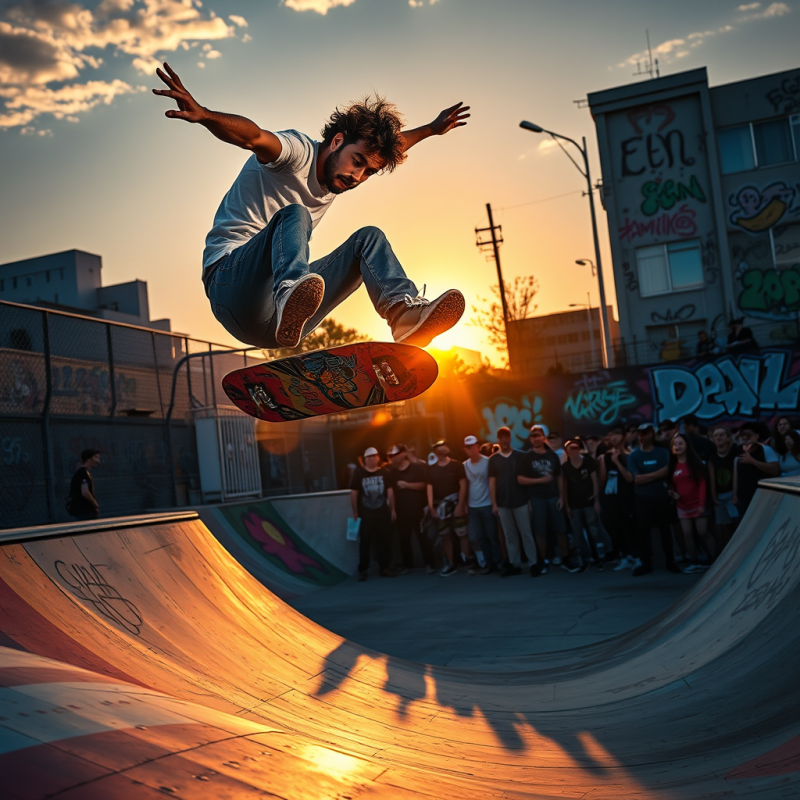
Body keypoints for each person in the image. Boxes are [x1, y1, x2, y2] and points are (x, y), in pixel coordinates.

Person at [153, 62, 468, 351]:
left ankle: (403, 316)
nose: (357, 176)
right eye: (356, 162)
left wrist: (431, 129)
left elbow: (394, 145)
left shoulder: (342, 173)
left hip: (279, 324)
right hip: (229, 286)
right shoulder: (297, 152)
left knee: (368, 239)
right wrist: (206, 115)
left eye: (368, 172)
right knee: (295, 214)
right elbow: (255, 138)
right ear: (336, 141)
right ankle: (290, 290)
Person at [517, 425, 577, 573]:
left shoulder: (552, 456)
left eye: (539, 436)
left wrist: (561, 497)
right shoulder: (526, 457)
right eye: (533, 436)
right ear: (530, 439)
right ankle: (543, 560)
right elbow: (520, 479)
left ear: (544, 438)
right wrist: (539, 481)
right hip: (537, 498)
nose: (537, 439)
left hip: (553, 497)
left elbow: (559, 477)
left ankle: (566, 558)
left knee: (560, 529)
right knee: (540, 531)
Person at [626, 423, 679, 577]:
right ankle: (646, 563)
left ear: (652, 434)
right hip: (642, 498)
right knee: (643, 531)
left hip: (661, 496)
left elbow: (668, 471)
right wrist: (658, 473)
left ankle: (670, 561)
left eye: (645, 434)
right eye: (640, 434)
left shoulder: (663, 452)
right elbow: (637, 480)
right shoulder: (634, 456)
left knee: (665, 530)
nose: (642, 437)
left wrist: (647, 476)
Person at [488, 427, 540, 577]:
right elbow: (492, 483)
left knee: (526, 533)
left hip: (521, 500)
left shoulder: (520, 456)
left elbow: (527, 478)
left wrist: (529, 500)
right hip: (503, 503)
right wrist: (494, 503)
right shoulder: (493, 459)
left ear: (510, 438)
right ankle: (515, 563)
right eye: (501, 437)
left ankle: (533, 563)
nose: (504, 440)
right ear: (498, 440)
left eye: (506, 437)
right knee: (510, 535)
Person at [562, 439, 612, 571]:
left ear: (579, 449)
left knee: (594, 529)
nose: (572, 450)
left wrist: (596, 500)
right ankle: (584, 558)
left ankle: (601, 556)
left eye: (575, 447)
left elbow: (595, 481)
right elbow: (564, 487)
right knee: (577, 532)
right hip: (574, 504)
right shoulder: (565, 467)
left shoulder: (588, 462)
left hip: (589, 502)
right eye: (569, 448)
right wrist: (566, 505)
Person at [668, 434, 714, 573]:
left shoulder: (695, 462)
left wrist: (701, 504)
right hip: (682, 506)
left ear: (687, 445)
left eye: (680, 443)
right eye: (675, 444)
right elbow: (670, 484)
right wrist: (672, 492)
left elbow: (702, 484)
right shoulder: (672, 465)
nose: (677, 447)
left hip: (698, 504)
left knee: (703, 532)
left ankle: (713, 559)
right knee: (687, 534)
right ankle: (694, 561)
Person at [387, 443, 436, 574]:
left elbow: (424, 485)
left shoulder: (417, 468)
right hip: (401, 511)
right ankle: (408, 565)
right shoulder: (392, 472)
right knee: (404, 539)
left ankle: (429, 563)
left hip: (418, 509)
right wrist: (392, 509)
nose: (392, 458)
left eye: (395, 455)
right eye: (391, 456)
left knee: (423, 537)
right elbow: (390, 491)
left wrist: (406, 485)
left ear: (403, 454)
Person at [350, 447, 395, 580]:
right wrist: (355, 512)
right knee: (365, 543)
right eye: (369, 457)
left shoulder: (385, 473)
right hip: (366, 515)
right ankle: (363, 569)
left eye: (374, 456)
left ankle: (384, 568)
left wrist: (393, 510)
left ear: (377, 458)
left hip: (383, 514)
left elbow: (390, 492)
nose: (372, 459)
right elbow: (354, 493)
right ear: (365, 459)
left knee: (384, 541)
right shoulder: (359, 474)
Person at [596, 427, 638, 571]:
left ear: (624, 436)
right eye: (611, 435)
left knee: (630, 526)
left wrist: (617, 462)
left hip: (627, 496)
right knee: (612, 526)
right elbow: (602, 480)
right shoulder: (604, 457)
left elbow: (630, 478)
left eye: (617, 435)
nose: (613, 437)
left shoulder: (630, 454)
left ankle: (635, 556)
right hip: (610, 496)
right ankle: (624, 555)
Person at [426, 440, 469, 577]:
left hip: (456, 503)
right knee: (445, 535)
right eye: (437, 448)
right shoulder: (431, 469)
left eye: (442, 447)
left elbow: (463, 486)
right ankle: (451, 563)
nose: (440, 450)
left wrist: (461, 505)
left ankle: (468, 561)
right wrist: (432, 507)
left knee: (462, 533)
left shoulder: (456, 465)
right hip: (440, 507)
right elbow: (429, 488)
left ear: (447, 448)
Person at [463, 435, 503, 574]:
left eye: (473, 446)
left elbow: (494, 483)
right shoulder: (465, 465)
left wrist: (494, 503)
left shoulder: (488, 462)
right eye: (468, 447)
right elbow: (465, 486)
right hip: (473, 506)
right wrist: (464, 504)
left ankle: (498, 562)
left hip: (487, 503)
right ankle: (489, 564)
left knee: (492, 536)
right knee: (480, 537)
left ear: (478, 446)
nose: (471, 449)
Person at [708, 425, 741, 551]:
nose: (718, 438)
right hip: (720, 497)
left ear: (728, 438)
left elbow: (736, 474)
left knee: (737, 522)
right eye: (715, 436)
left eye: (721, 435)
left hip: (733, 494)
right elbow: (712, 478)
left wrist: (735, 495)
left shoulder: (735, 453)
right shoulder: (712, 457)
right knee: (724, 527)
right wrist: (714, 497)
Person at [68, 449, 101, 520]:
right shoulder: (83, 473)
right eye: (96, 457)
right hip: (85, 511)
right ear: (89, 458)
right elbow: (85, 492)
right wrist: (95, 504)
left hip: (84, 511)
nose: (98, 460)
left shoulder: (83, 473)